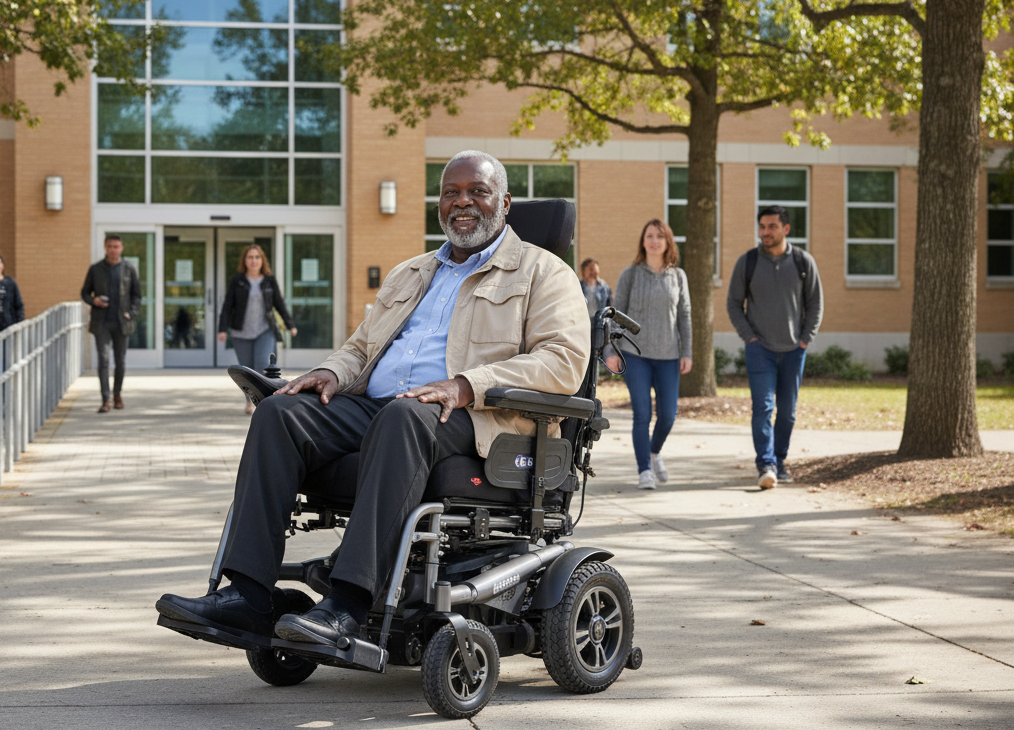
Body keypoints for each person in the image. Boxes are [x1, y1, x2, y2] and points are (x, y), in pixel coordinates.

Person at [156, 150, 590, 648]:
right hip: (383, 408)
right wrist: (328, 372)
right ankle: (249, 596)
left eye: (477, 191)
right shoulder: (411, 272)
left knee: (405, 416)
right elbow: (362, 349)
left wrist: (467, 383)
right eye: (451, 192)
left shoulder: (543, 273)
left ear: (505, 203)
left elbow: (563, 362)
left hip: (479, 419)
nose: (462, 202)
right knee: (280, 413)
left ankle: (347, 603)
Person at [727, 206, 823, 489]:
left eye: (771, 227)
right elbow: (734, 302)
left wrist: (806, 338)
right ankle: (766, 464)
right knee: (763, 406)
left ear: (786, 229)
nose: (765, 232)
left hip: (795, 349)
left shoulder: (804, 262)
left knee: (788, 411)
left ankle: (779, 461)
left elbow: (815, 303)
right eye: (762, 227)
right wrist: (749, 337)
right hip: (760, 349)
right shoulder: (749, 262)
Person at [609, 219, 692, 490]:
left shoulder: (678, 277)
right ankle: (644, 469)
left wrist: (687, 351)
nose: (654, 241)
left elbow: (684, 316)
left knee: (668, 414)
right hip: (636, 355)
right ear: (643, 241)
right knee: (642, 414)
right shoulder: (630, 274)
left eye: (660, 236)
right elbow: (615, 315)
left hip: (668, 355)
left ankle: (654, 453)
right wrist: (612, 350)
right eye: (649, 236)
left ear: (668, 242)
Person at [218, 244, 298, 414]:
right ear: (245, 261)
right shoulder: (238, 280)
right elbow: (227, 305)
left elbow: (279, 304)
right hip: (241, 332)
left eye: (257, 257)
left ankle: (262, 403)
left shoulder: (269, 280)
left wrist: (290, 324)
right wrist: (222, 329)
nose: (254, 261)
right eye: (250, 257)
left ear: (262, 260)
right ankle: (249, 401)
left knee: (262, 365)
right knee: (247, 370)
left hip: (264, 330)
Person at [81, 235, 142, 413]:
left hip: (122, 322)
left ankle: (117, 395)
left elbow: (137, 295)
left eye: (116, 246)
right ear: (105, 248)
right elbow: (85, 293)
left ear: (122, 248)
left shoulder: (128, 269)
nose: (113, 249)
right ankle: (105, 399)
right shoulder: (96, 269)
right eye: (110, 246)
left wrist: (131, 313)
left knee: (120, 362)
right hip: (102, 323)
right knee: (103, 360)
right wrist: (95, 301)